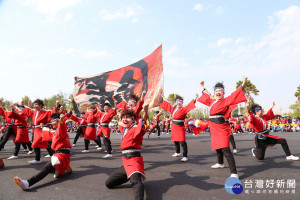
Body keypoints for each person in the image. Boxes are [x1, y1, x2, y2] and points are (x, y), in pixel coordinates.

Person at [198, 76, 248, 179]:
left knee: (226, 149)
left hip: (221, 127)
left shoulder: (226, 101)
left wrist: (244, 83)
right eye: (217, 91)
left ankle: (234, 173)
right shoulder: (212, 101)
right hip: (213, 127)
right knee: (217, 147)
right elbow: (208, 95)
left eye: (221, 91)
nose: (218, 92)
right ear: (215, 93)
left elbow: (235, 94)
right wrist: (203, 87)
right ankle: (220, 163)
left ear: (223, 93)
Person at [14, 113, 72, 190]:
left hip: (61, 155)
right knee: (50, 169)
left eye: (53, 121)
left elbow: (61, 127)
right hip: (60, 155)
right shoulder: (57, 131)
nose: (51, 123)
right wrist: (43, 128)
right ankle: (66, 167)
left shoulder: (61, 128)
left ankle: (27, 183)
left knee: (46, 169)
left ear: (58, 121)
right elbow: (49, 134)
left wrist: (62, 121)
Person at [105, 108, 148, 200]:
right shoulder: (125, 130)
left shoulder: (136, 128)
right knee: (108, 183)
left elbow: (142, 125)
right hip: (126, 162)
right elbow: (120, 123)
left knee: (136, 182)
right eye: (123, 117)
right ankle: (130, 175)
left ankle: (134, 176)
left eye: (128, 117)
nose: (125, 119)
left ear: (133, 119)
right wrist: (119, 113)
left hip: (134, 160)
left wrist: (146, 112)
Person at [159, 94, 198, 162]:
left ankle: (185, 156)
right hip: (174, 126)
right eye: (177, 101)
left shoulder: (184, 109)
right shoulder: (173, 108)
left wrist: (195, 98)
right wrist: (163, 98)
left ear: (182, 103)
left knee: (182, 141)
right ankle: (177, 152)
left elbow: (189, 105)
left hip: (180, 126)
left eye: (180, 101)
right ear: (175, 102)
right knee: (175, 140)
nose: (178, 102)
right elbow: (168, 104)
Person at [21, 99, 54, 164]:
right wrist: (24, 105)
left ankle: (37, 159)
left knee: (36, 143)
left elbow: (51, 120)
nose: (34, 106)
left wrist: (45, 124)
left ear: (40, 105)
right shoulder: (34, 112)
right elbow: (28, 110)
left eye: (36, 105)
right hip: (36, 130)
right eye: (34, 105)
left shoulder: (46, 112)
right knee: (46, 143)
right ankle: (52, 154)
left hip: (42, 129)